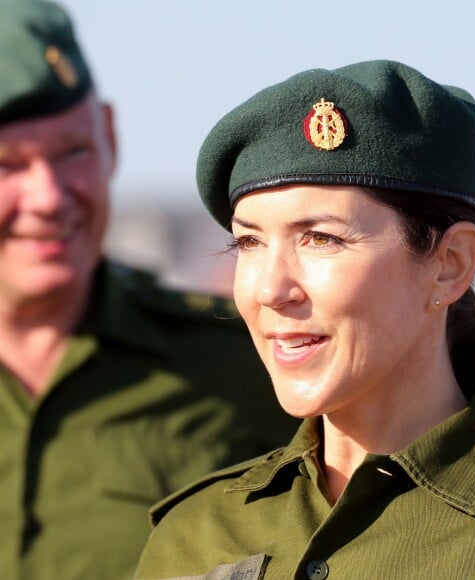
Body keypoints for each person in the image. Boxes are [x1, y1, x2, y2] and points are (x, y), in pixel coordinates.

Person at [135, 60, 475, 579]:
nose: (269, 290)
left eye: (321, 238)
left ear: (450, 264)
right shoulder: (197, 532)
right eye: (249, 242)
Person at [0, 2, 298, 579]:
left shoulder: (249, 363)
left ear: (109, 135)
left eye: (73, 154)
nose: (50, 197)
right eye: (9, 165)